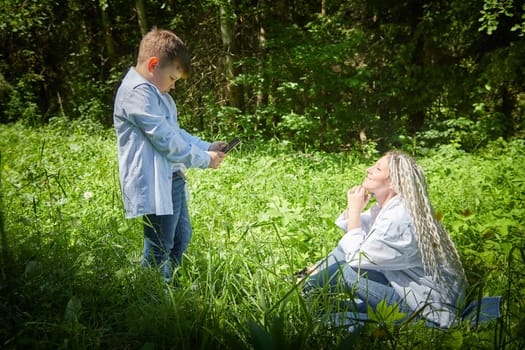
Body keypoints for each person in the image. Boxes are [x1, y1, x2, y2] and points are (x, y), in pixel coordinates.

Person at [299, 151, 468, 328]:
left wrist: (355, 210)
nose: (368, 169)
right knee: (341, 264)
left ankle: (303, 290)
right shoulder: (391, 208)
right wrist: (354, 211)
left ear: (394, 183)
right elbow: (354, 240)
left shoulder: (398, 220)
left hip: (426, 307)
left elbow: (357, 258)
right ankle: (305, 284)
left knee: (349, 274)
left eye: (377, 169)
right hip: (405, 289)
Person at [113, 28, 227, 283]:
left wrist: (205, 145)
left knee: (180, 237)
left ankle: (170, 285)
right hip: (153, 181)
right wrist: (204, 159)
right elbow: (165, 140)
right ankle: (150, 291)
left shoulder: (158, 95)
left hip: (172, 177)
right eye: (173, 78)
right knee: (160, 243)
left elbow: (175, 133)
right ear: (154, 65)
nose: (173, 86)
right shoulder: (137, 93)